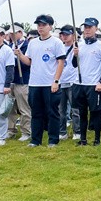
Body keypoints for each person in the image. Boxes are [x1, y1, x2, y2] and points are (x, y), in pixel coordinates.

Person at [15, 14, 66, 148]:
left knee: (52, 112)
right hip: (34, 83)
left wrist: (56, 80)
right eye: (39, 25)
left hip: (50, 83)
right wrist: (20, 55)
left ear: (50, 26)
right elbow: (29, 61)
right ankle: (35, 140)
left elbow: (61, 62)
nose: (40, 27)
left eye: (43, 25)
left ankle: (53, 140)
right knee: (36, 112)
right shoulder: (33, 43)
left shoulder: (56, 42)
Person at [72, 17, 101, 146]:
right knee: (82, 112)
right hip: (80, 83)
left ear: (96, 28)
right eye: (85, 27)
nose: (87, 30)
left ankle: (97, 139)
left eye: (90, 27)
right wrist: (75, 55)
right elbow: (74, 64)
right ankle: (83, 139)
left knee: (96, 112)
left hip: (93, 84)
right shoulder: (79, 45)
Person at [7, 24, 32, 141]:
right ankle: (10, 130)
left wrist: (17, 58)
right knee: (9, 108)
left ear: (21, 33)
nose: (11, 35)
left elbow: (27, 64)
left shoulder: (27, 46)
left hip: (23, 80)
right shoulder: (9, 46)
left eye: (14, 33)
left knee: (24, 108)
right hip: (11, 81)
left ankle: (26, 131)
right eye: (10, 33)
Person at [57, 25, 81, 141]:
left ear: (73, 35)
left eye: (67, 34)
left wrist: (76, 54)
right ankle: (62, 132)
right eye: (63, 34)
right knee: (61, 110)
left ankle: (77, 131)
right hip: (61, 81)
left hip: (73, 81)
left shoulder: (77, 47)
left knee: (75, 109)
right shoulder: (59, 47)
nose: (64, 37)